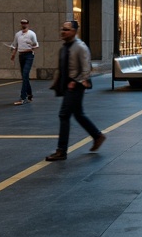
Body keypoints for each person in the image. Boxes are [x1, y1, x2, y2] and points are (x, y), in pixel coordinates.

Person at [45, 20, 105, 160]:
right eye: (62, 29)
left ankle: (61, 150)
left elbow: (86, 69)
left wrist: (75, 82)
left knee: (64, 115)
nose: (63, 32)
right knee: (78, 114)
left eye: (66, 29)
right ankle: (97, 136)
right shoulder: (65, 47)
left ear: (74, 31)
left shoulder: (80, 47)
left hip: (76, 86)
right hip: (68, 85)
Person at [9, 19, 39, 105]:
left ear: (28, 24)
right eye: (22, 23)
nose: (24, 25)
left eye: (25, 23)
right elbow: (15, 45)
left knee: (25, 74)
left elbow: (36, 46)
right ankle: (30, 95)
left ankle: (23, 97)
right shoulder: (18, 34)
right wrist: (13, 55)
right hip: (21, 55)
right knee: (24, 76)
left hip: (29, 55)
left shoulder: (32, 34)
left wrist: (31, 45)